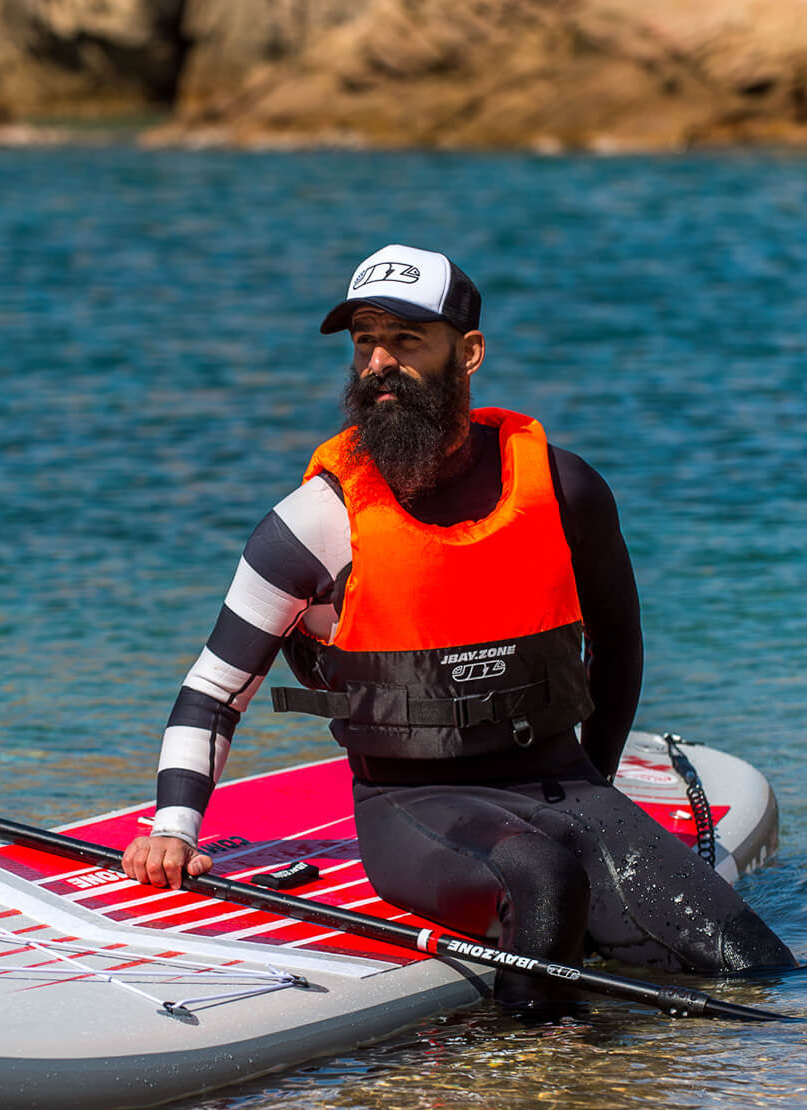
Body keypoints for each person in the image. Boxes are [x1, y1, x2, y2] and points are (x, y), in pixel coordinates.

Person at [122, 243, 795, 1013]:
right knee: (542, 878)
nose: (379, 361)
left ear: (468, 352)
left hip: (564, 783)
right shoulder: (315, 522)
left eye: (406, 341)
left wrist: (597, 783)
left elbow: (619, 645)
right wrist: (174, 827)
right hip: (415, 806)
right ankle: (528, 1101)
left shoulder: (565, 488)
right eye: (364, 341)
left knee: (756, 972)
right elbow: (214, 689)